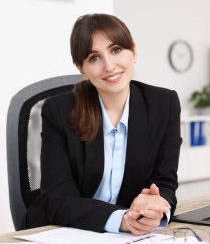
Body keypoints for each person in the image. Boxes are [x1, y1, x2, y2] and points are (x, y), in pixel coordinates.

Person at [26, 13, 182, 235]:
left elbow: (165, 183)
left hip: (129, 236)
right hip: (63, 230)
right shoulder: (58, 111)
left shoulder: (164, 105)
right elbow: (58, 198)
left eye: (116, 50)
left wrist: (154, 209)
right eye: (94, 58)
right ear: (81, 68)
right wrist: (121, 219)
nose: (109, 66)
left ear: (134, 51)